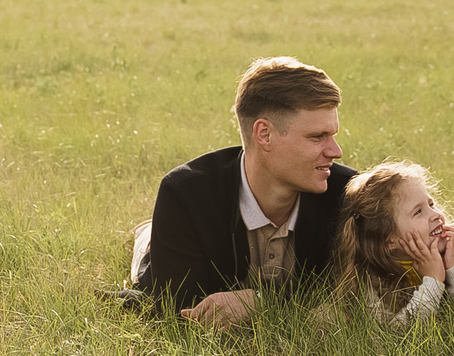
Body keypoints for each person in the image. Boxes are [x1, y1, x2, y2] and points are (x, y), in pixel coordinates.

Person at [130, 56, 357, 328]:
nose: (336, 151)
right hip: (170, 240)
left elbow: (359, 298)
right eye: (317, 137)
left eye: (332, 135)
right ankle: (148, 234)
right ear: (264, 134)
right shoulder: (186, 195)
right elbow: (177, 310)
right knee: (149, 267)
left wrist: (260, 302)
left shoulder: (348, 194)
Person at [332, 161, 454, 328]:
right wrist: (433, 282)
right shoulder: (369, 278)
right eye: (418, 211)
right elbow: (397, 341)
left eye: (431, 204)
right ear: (389, 240)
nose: (437, 215)